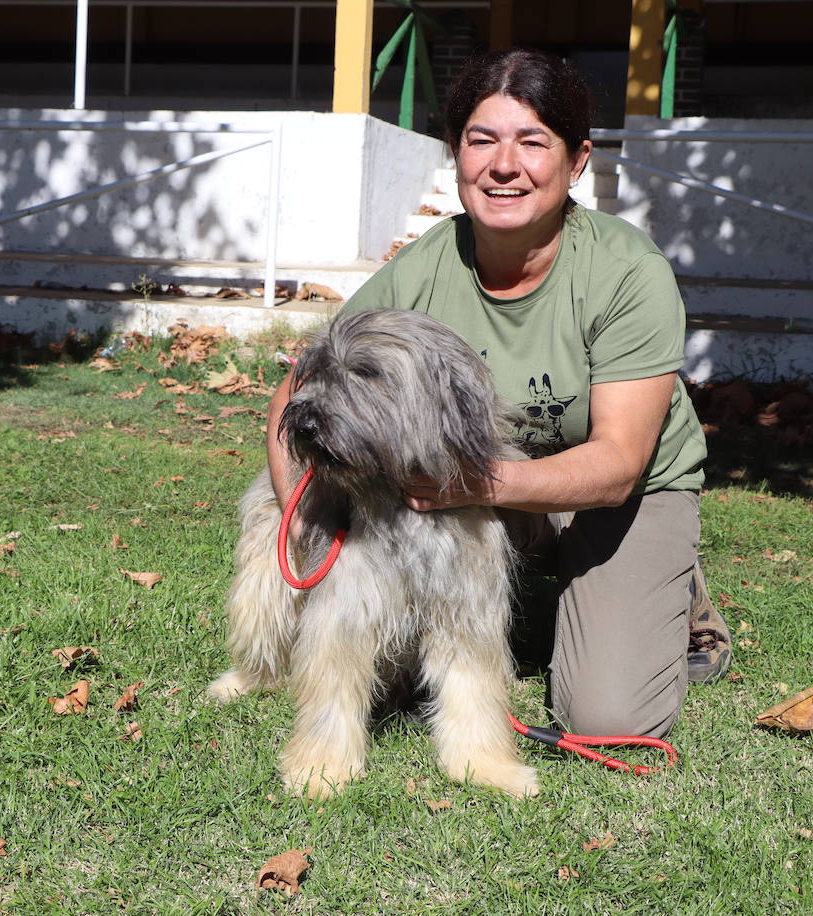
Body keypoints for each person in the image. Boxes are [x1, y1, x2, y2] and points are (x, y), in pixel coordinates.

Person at [264, 47, 731, 740]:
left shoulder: (629, 273)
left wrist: (472, 484)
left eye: (532, 142)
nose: (503, 165)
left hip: (614, 496)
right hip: (480, 488)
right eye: (481, 140)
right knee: (389, 681)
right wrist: (303, 519)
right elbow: (299, 389)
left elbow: (620, 462)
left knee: (607, 716)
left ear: (577, 162)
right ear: (457, 156)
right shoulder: (426, 265)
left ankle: (674, 588)